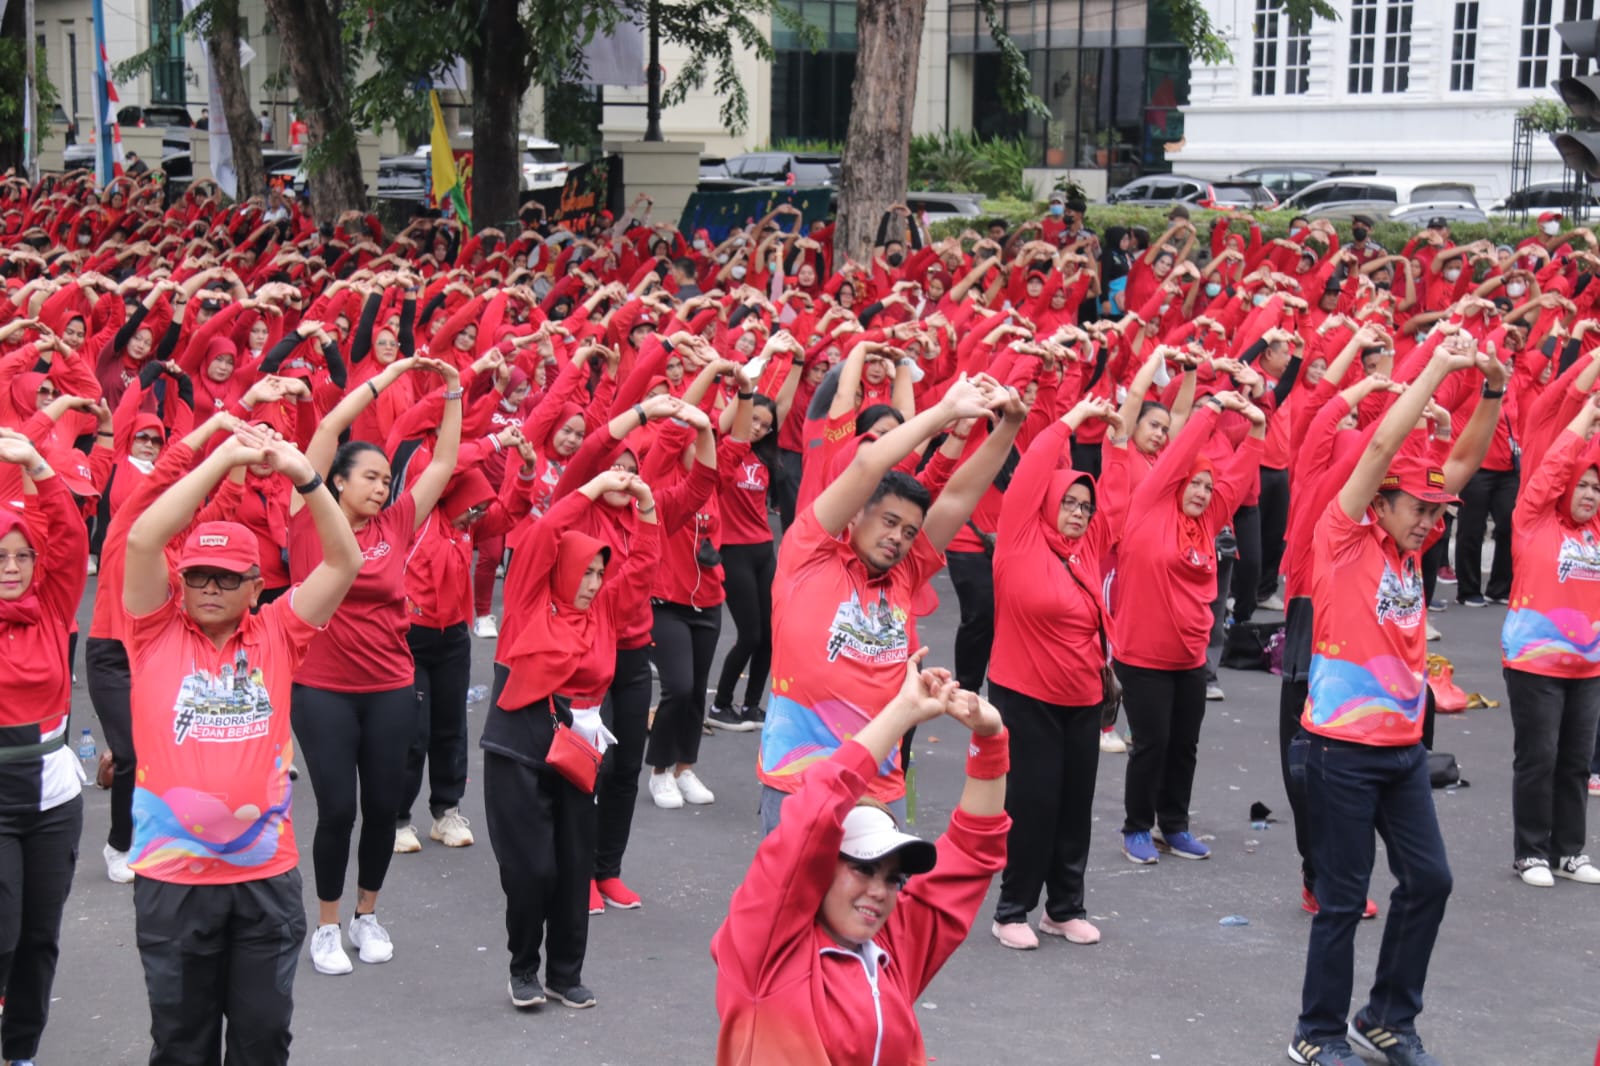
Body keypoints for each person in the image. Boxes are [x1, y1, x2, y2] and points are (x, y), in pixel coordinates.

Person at [1287, 336, 1502, 1066]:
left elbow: (1465, 464)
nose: (1430, 522)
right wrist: (1436, 368)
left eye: (1438, 515)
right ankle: (1315, 1034)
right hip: (1340, 752)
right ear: (1380, 501)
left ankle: (1385, 1017)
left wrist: (1493, 391)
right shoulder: (1344, 535)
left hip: (1403, 751)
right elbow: (1382, 442)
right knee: (1343, 901)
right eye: (1418, 509)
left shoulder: (1411, 551)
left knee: (1431, 880)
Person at [122, 424, 362, 1066]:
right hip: (172, 881)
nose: (208, 588)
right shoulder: (152, 632)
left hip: (264, 880)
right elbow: (145, 537)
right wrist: (224, 457)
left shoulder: (280, 632)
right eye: (197, 574)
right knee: (180, 1045)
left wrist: (305, 477)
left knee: (263, 1042)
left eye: (227, 579)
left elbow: (345, 562)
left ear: (257, 588)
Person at [711, 651, 1009, 1065]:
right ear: (816, 869)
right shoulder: (765, 948)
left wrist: (991, 739)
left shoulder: (889, 947)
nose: (879, 891)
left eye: (892, 878)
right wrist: (902, 712)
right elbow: (814, 810)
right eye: (863, 868)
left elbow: (972, 852)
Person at [758, 373, 1015, 832]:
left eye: (910, 531)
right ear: (856, 512)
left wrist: (1009, 426)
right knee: (791, 906)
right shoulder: (808, 553)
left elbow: (957, 497)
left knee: (878, 905)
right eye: (889, 522)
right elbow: (865, 469)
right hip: (799, 786)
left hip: (880, 792)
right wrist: (944, 412)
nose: (898, 538)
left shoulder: (905, 572)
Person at [288, 355, 462, 976]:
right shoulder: (310, 516)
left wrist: (452, 390)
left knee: (384, 804)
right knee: (337, 808)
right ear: (335, 481)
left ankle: (367, 914)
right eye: (370, 476)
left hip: (391, 686)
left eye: (387, 478)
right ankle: (329, 925)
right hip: (322, 688)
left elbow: (443, 463)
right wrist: (388, 378)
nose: (382, 486)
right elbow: (330, 430)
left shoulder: (396, 521)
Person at [484, 468, 659, 1010]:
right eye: (584, 571)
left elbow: (646, 564)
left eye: (599, 573)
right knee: (531, 868)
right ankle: (523, 969)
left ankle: (565, 973)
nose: (591, 582)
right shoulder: (527, 602)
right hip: (520, 740)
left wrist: (647, 503)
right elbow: (542, 535)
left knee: (572, 862)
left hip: (580, 745)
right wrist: (589, 488)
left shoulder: (604, 607)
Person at [988, 396, 1126, 950]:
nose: (1076, 511)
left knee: (1075, 805)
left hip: (1082, 695)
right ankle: (1012, 909)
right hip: (1026, 694)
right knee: (1033, 803)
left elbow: (1124, 488)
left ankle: (1064, 907)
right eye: (1067, 501)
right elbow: (1034, 471)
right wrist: (1069, 421)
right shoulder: (1020, 539)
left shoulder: (1086, 545)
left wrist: (1116, 436)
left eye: (1083, 506)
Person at [1114, 391, 1265, 865]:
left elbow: (1238, 480)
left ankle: (1173, 825)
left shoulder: (1210, 519)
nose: (1201, 491)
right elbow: (1178, 454)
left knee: (1184, 746)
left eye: (1207, 485)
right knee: (1151, 745)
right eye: (1194, 483)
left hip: (1190, 659)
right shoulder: (1149, 508)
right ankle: (1136, 827)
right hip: (1142, 657)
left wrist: (1258, 430)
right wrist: (1212, 410)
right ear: (1176, 482)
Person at [0, 430, 89, 1066]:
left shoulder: (53, 603)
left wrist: (37, 465)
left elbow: (71, 541)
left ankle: (21, 1052)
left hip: (54, 790)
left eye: (20, 556)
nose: (10, 567)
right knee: (1, 935)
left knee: (38, 936)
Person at [1500, 395, 1600, 887]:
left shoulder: (1596, 533)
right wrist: (1584, 421)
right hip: (1535, 667)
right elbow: (1552, 468)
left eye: (1595, 488)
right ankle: (1530, 851)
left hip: (1588, 668)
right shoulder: (1532, 521)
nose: (1588, 494)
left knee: (1577, 763)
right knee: (1539, 758)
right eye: (1580, 485)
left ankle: (1569, 850)